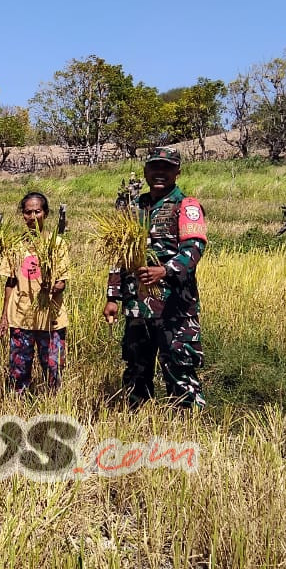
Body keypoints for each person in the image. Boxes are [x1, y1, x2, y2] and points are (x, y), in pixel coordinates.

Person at [103, 147, 207, 409]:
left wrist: (165, 270)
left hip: (175, 306)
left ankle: (186, 426)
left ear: (177, 171)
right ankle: (138, 422)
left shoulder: (186, 205)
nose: (160, 172)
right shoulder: (133, 209)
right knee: (137, 368)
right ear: (145, 171)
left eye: (167, 167)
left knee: (179, 367)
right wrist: (112, 296)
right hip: (138, 306)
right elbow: (119, 255)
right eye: (155, 167)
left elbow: (194, 249)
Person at [0, 192, 70, 394]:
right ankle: (19, 402)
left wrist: (51, 287)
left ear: (45, 213)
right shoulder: (14, 246)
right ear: (23, 215)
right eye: (28, 212)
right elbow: (10, 283)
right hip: (21, 316)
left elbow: (62, 282)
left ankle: (53, 403)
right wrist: (4, 317)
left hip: (51, 318)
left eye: (37, 211)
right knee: (19, 368)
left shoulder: (57, 244)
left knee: (54, 368)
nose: (32, 216)